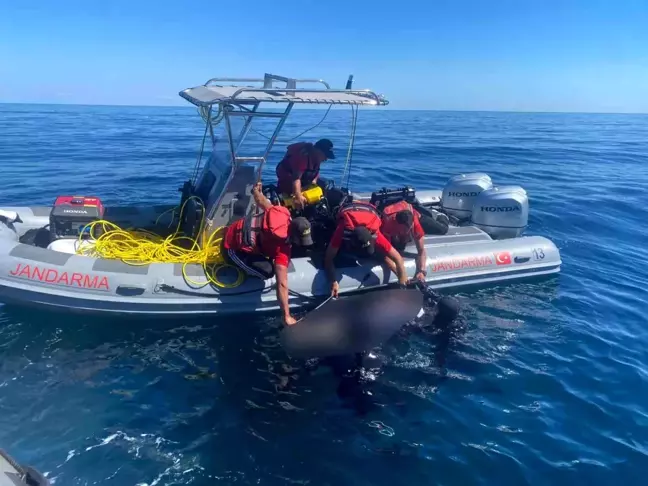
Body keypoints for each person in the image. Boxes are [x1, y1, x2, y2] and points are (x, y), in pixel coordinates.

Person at [224, 181, 313, 326]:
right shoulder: (282, 249)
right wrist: (286, 316)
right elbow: (282, 284)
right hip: (231, 248)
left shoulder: (282, 212)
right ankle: (246, 272)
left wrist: (256, 191)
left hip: (236, 227)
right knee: (268, 272)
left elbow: (262, 201)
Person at [324, 200, 408, 298]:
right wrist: (333, 281)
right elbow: (328, 258)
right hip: (351, 213)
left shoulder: (376, 233)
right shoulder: (342, 230)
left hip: (368, 214)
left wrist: (403, 285)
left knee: (383, 255)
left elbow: (398, 258)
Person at [275, 139, 335, 210]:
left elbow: (315, 173)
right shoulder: (303, 157)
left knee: (325, 185)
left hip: (303, 179)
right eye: (326, 155)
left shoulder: (317, 158)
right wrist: (298, 196)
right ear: (318, 151)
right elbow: (296, 178)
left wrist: (312, 187)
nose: (326, 159)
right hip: (289, 178)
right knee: (293, 195)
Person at [380, 200, 428, 283]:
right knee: (397, 247)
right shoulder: (388, 224)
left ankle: (439, 215)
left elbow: (421, 250)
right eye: (404, 230)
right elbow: (385, 254)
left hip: (414, 213)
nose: (406, 231)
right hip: (392, 216)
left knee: (442, 229)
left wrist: (422, 271)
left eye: (408, 230)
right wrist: (401, 275)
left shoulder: (414, 224)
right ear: (396, 224)